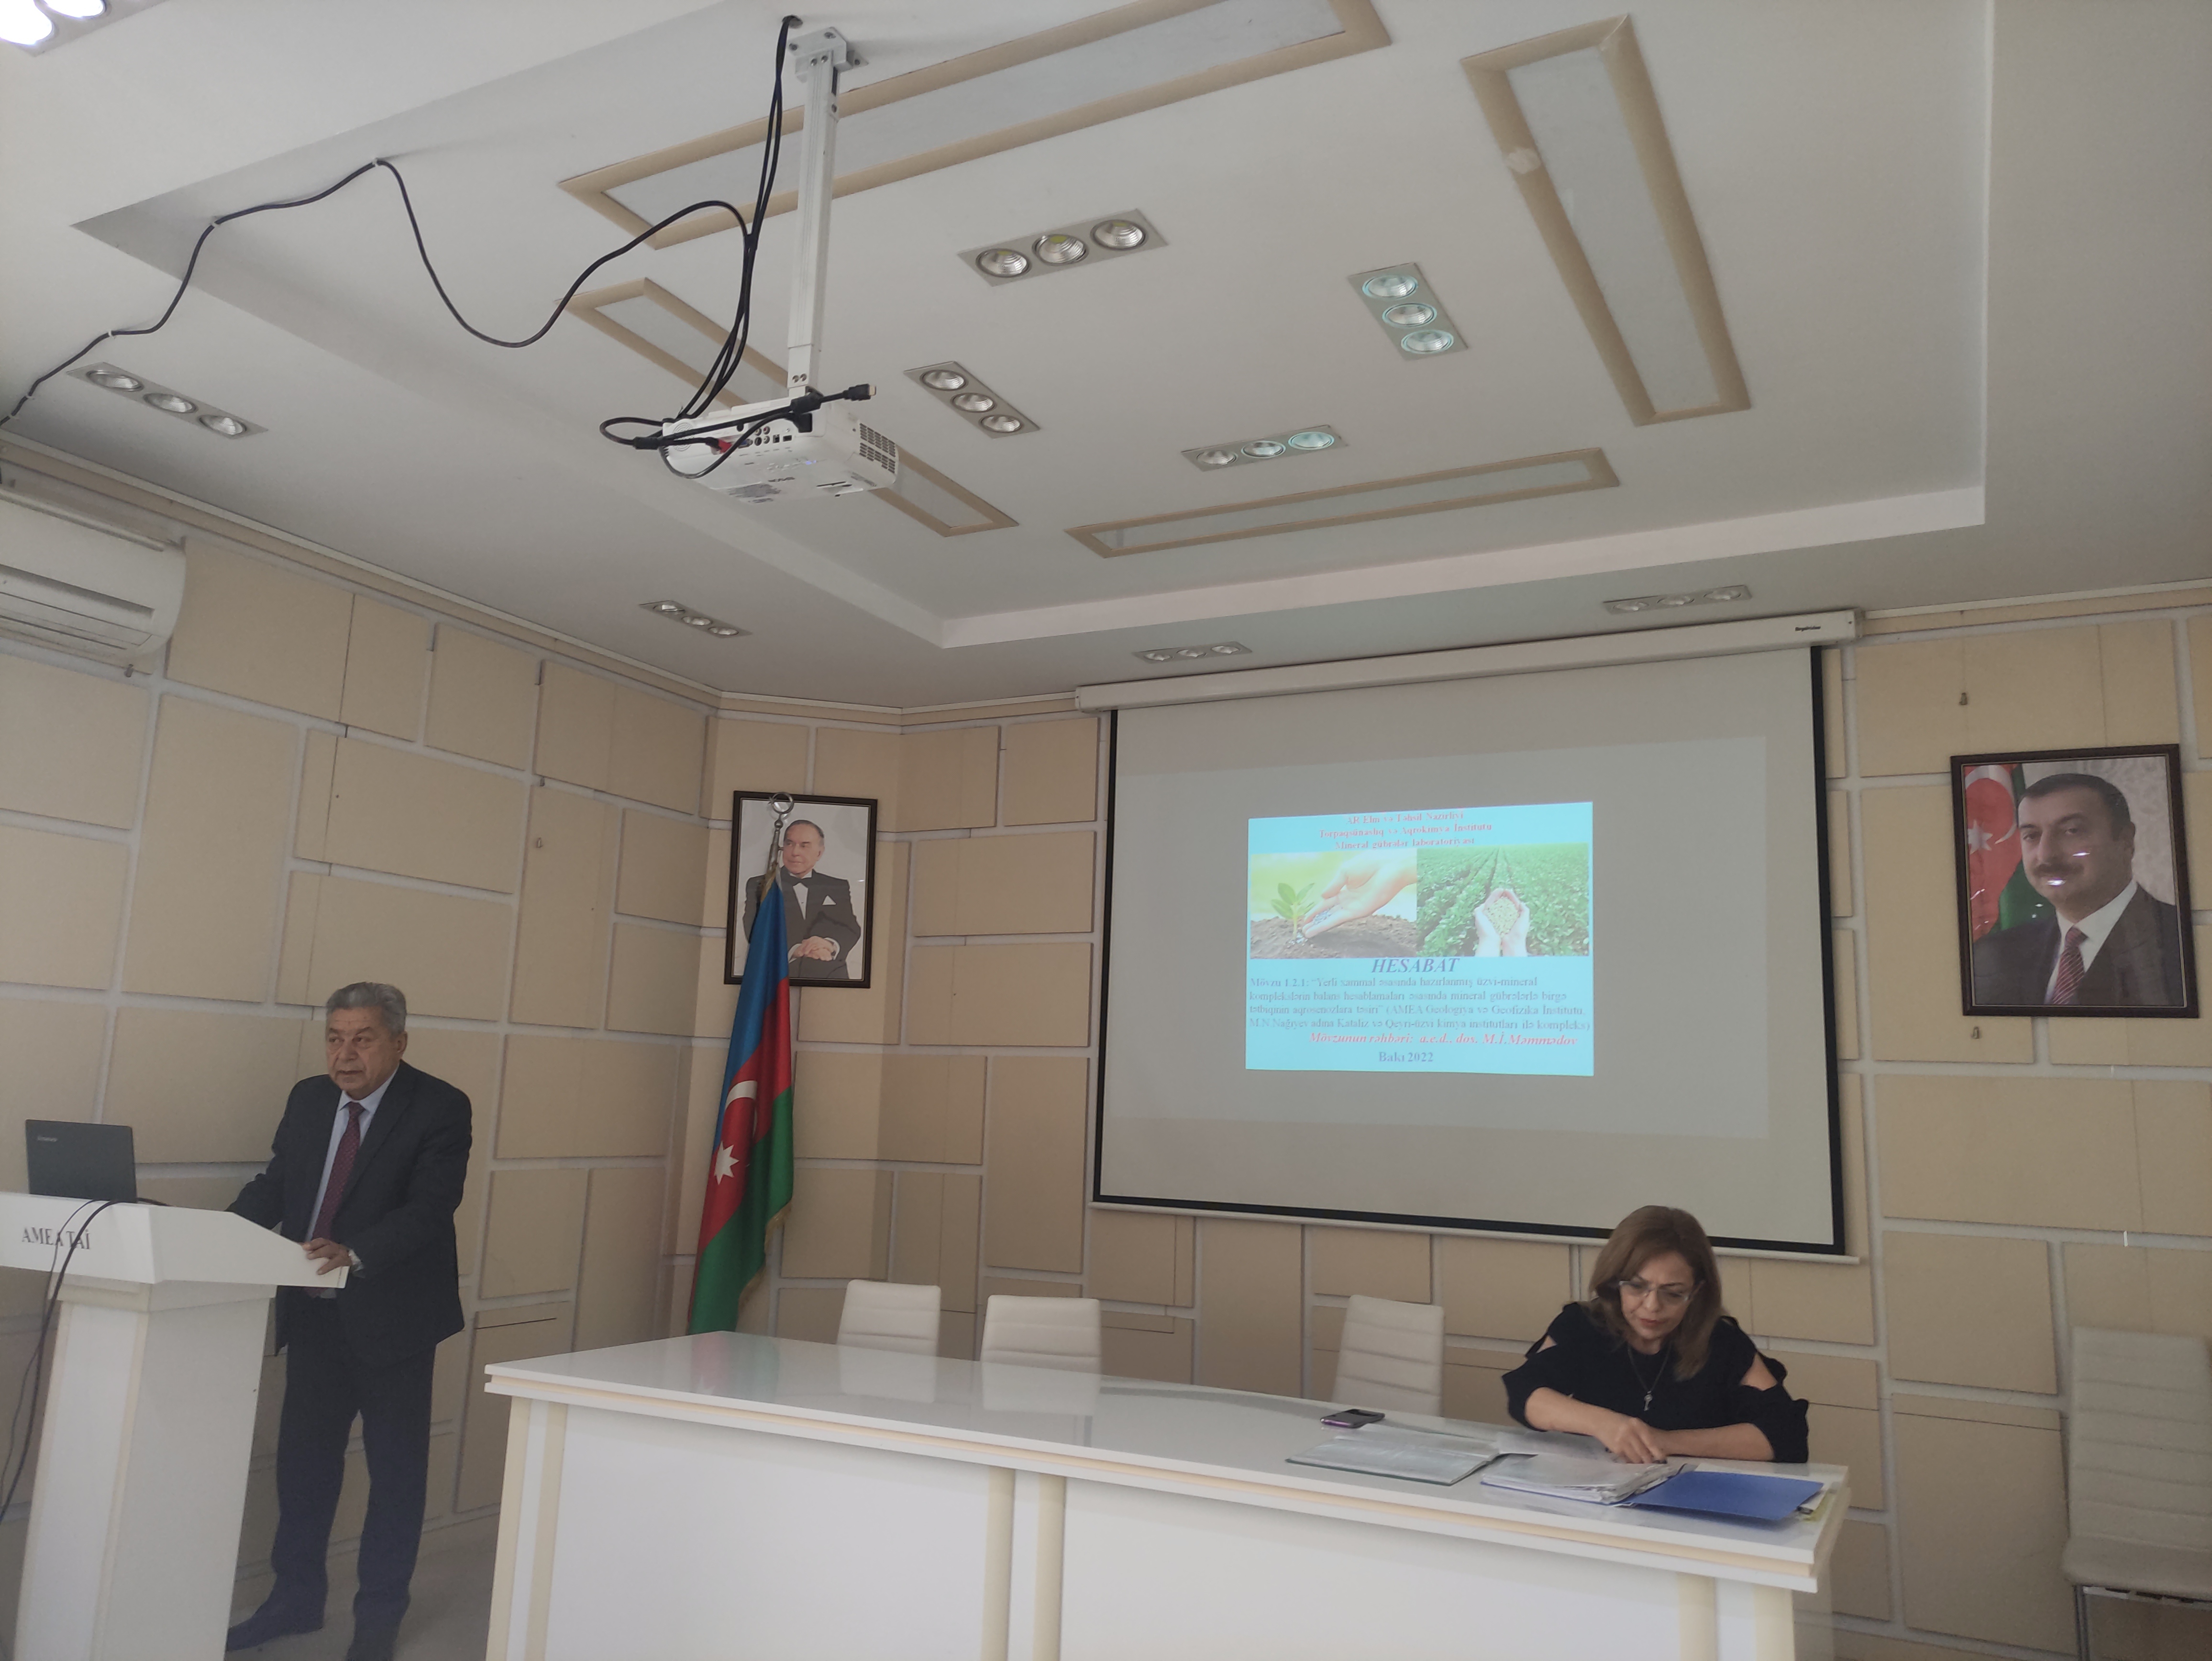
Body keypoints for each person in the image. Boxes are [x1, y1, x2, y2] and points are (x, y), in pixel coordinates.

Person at [225, 983, 472, 1661]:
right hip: (314, 1317)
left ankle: (377, 1622)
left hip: (394, 1321)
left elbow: (431, 1207)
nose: (345, 1054)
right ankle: (295, 1600)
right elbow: (277, 1185)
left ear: (398, 1042)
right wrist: (215, 1235)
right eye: (335, 1039)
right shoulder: (309, 1099)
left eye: (363, 1039)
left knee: (395, 1478)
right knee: (303, 1469)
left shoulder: (440, 1106)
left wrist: (356, 1252)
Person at [1502, 1206, 1808, 1463]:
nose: (1652, 1306)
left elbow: (1785, 1435)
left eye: (1673, 1293)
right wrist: (1605, 1425)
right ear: (1615, 1282)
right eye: (1637, 1287)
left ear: (1697, 1292)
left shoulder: (1722, 1342)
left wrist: (1662, 1441)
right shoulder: (1582, 1325)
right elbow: (1525, 1392)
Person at [1969, 772, 2186, 1008]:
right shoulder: (1994, 955)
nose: (2046, 855)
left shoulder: (2186, 940)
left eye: (2072, 831)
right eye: (2031, 836)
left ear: (2126, 840)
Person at [742, 818, 862, 982]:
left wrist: (828, 944)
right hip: (777, 978)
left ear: (819, 853)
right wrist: (796, 950)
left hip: (831, 977)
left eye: (804, 846)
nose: (795, 852)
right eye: (790, 844)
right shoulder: (760, 885)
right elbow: (753, 929)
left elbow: (850, 927)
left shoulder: (837, 886)